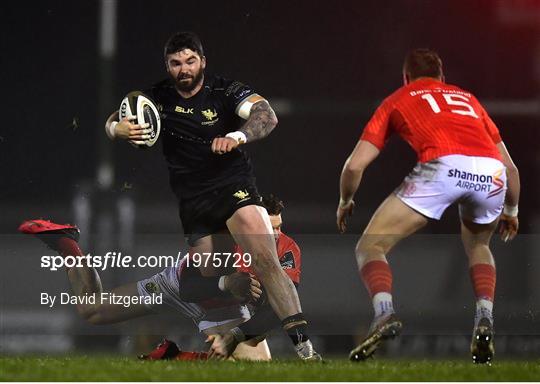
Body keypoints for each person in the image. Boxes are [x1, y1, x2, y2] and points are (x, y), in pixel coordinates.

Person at [104, 31, 318, 360]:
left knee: (265, 259)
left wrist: (238, 135)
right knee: (208, 280)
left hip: (234, 186)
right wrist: (117, 129)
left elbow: (266, 115)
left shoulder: (225, 91)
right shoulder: (157, 97)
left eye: (190, 61)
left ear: (202, 61)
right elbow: (117, 117)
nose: (184, 69)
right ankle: (182, 353)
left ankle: (306, 349)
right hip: (195, 202)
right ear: (168, 66)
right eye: (176, 63)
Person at [336, 49, 520, 364]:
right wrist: (512, 211)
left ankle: (383, 314)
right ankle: (484, 317)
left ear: (406, 77)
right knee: (478, 244)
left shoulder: (399, 98)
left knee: (370, 245)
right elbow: (512, 169)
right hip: (492, 173)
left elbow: (355, 166)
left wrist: (345, 200)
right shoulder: (467, 99)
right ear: (442, 77)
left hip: (443, 164)